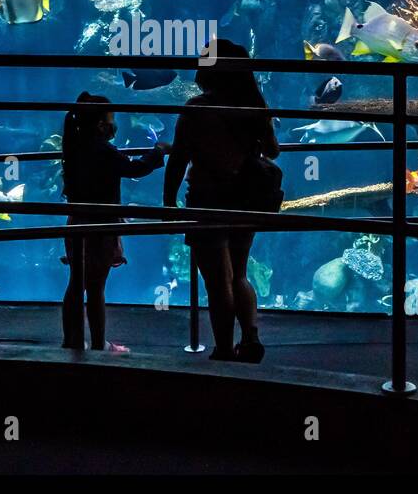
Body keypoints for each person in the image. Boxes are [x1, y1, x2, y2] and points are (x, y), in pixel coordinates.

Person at [163, 40, 279, 363]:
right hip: (245, 199)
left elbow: (177, 161)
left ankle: (225, 350)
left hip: (206, 200)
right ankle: (251, 336)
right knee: (239, 273)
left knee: (217, 281)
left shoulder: (195, 110)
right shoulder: (254, 106)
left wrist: (168, 202)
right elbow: (273, 152)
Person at [61, 92, 167, 352]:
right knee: (96, 287)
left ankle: (72, 339)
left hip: (76, 222)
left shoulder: (74, 147)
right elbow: (135, 169)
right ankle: (98, 344)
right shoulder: (104, 151)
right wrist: (158, 152)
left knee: (76, 283)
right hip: (101, 227)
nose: (115, 124)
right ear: (100, 125)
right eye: (112, 119)